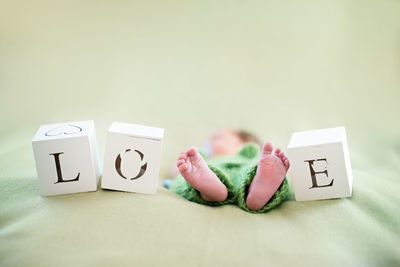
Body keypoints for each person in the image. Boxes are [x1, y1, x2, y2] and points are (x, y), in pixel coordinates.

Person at [166, 129, 290, 213]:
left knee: (254, 170)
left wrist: (184, 166)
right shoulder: (201, 160)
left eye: (216, 138)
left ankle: (257, 187)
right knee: (191, 174)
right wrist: (187, 166)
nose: (207, 143)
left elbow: (175, 174)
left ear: (243, 146)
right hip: (213, 171)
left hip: (237, 170)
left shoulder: (249, 156)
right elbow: (175, 173)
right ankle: (210, 188)